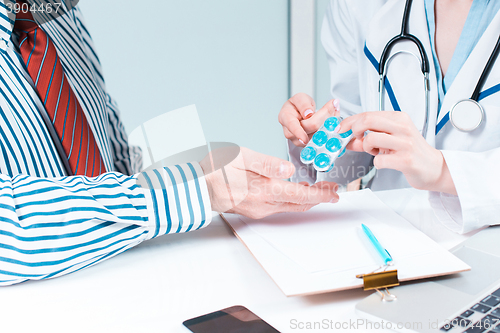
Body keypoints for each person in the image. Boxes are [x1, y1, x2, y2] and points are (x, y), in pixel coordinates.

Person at [0, 1, 339, 286]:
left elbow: (110, 155)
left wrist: (217, 182)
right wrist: (199, 189)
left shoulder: (53, 14)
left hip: (116, 281)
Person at [279, 0, 500, 235]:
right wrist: (322, 136)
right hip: (386, 237)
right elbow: (354, 147)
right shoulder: (358, 6)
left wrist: (443, 171)